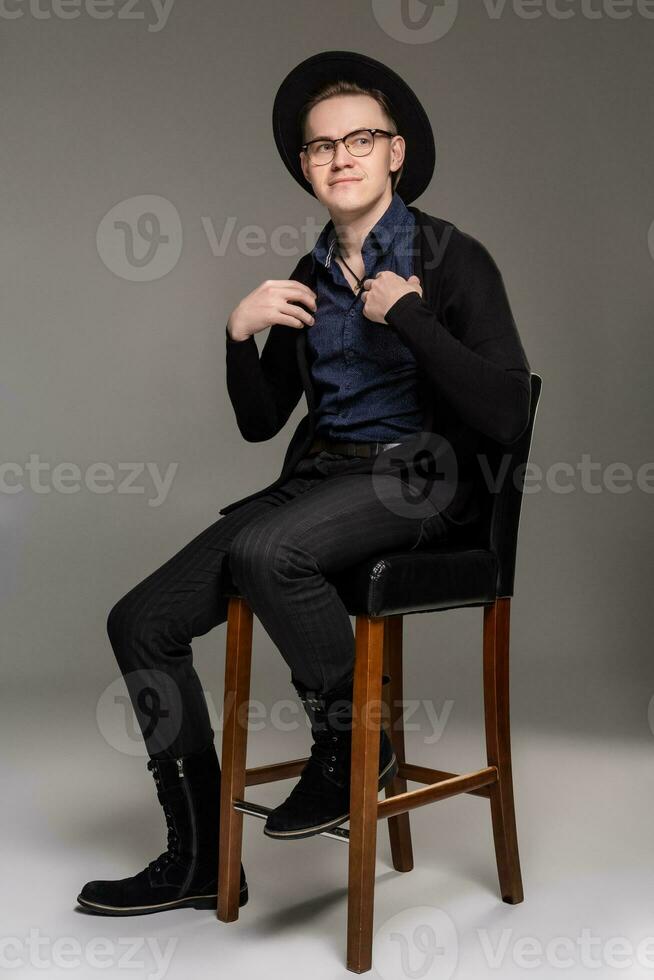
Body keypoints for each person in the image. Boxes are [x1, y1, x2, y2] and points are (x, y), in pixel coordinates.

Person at [76, 50, 531, 915]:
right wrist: (235, 335)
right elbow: (261, 421)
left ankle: (356, 749)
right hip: (322, 480)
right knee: (139, 620)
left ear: (396, 153)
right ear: (305, 168)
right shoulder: (311, 273)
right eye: (321, 148)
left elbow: (507, 412)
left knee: (266, 551)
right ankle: (202, 856)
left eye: (360, 138)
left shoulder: (452, 257)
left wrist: (408, 315)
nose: (341, 157)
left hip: (424, 480)